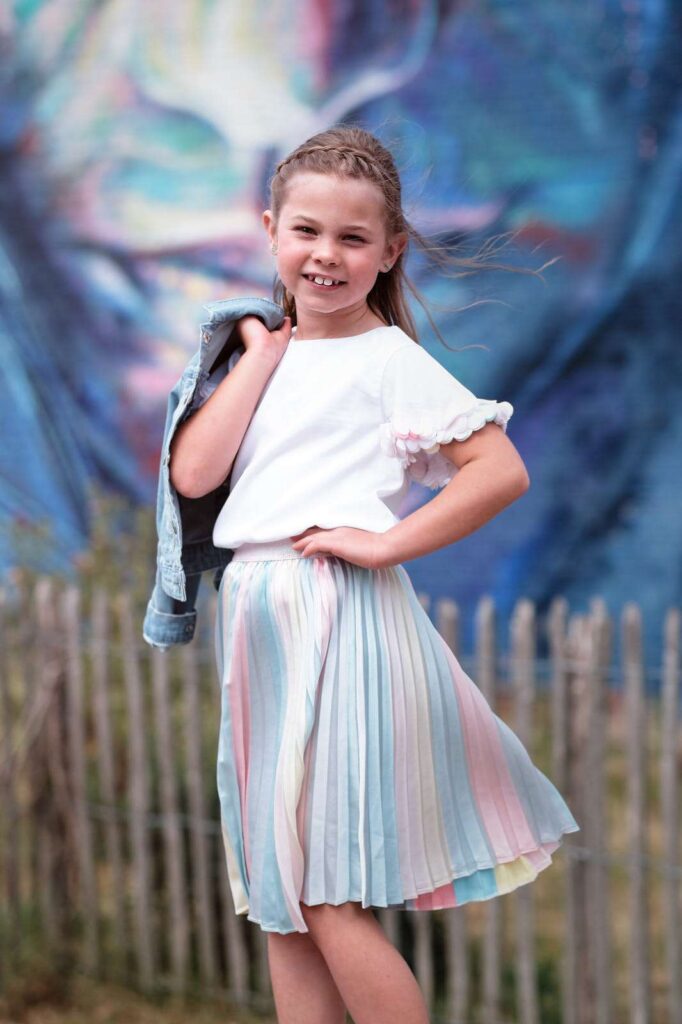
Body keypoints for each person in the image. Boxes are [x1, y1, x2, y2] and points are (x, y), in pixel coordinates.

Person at [169, 124, 580, 1024]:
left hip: (336, 613)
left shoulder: (387, 359)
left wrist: (386, 543)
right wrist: (262, 357)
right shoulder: (254, 357)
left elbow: (499, 470)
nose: (326, 254)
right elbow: (194, 475)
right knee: (280, 895)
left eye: (353, 238)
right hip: (259, 614)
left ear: (390, 251)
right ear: (271, 230)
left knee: (324, 892)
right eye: (306, 231)